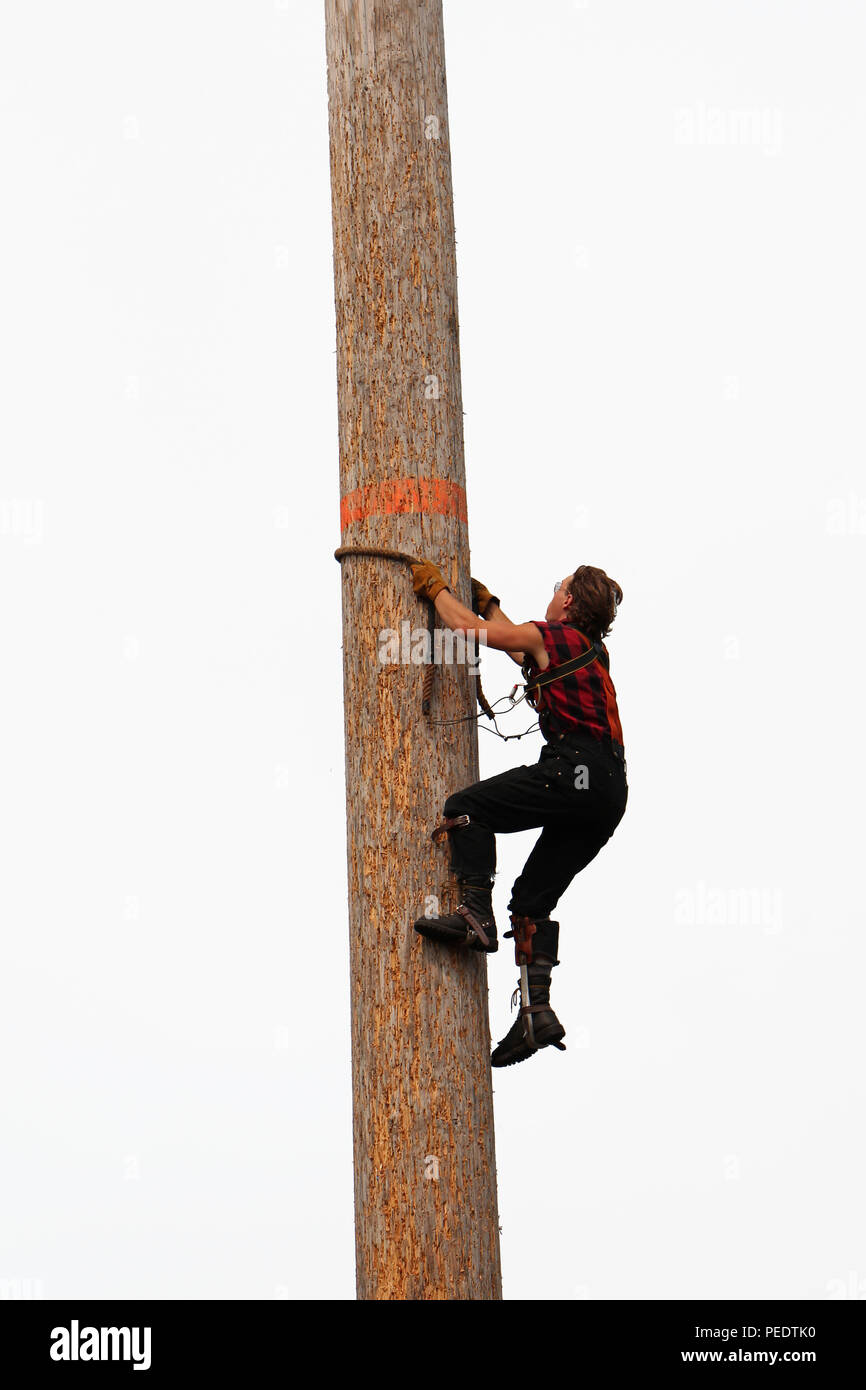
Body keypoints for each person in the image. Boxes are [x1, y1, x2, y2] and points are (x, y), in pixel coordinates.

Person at [410, 560, 628, 1068]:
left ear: (569, 602)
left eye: (559, 589)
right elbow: (512, 639)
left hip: (576, 770)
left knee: (466, 807)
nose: (553, 595)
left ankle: (473, 915)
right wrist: (488, 604)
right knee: (531, 903)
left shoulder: (554, 636)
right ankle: (536, 1012)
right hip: (609, 791)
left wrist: (436, 588)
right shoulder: (591, 652)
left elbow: (470, 632)